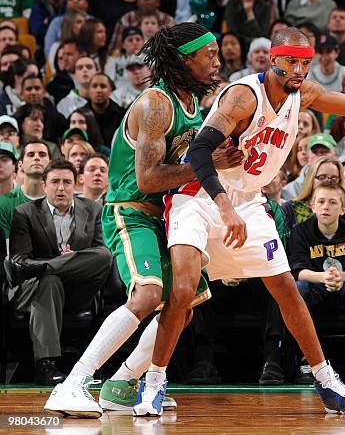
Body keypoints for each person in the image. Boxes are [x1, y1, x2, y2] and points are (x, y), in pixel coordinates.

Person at [139, 26, 345, 416]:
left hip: (249, 201)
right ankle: (152, 382)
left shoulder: (303, 94)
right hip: (201, 196)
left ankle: (326, 380)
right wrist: (223, 205)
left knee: (287, 289)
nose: (299, 70)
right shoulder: (242, 96)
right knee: (185, 290)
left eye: (305, 63)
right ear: (273, 59)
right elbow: (201, 151)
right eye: (291, 61)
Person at [44, 22, 243, 418]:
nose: (217, 62)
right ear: (185, 60)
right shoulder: (157, 104)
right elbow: (148, 178)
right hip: (130, 210)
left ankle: (123, 383)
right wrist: (209, 163)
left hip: (166, 216)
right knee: (149, 295)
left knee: (183, 306)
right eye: (210, 55)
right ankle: (73, 384)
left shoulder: (194, 105)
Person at [6, 159, 113, 385]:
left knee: (104, 256)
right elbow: (18, 262)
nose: (61, 188)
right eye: (55, 182)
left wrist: (63, 262)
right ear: (44, 185)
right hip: (38, 289)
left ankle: (47, 268)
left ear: (76, 185)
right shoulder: (25, 213)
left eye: (67, 182)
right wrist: (58, 264)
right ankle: (45, 365)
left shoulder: (93, 210)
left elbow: (100, 252)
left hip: (80, 290)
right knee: (50, 281)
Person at [287, 181, 345, 384]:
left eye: (333, 202)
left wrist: (339, 277)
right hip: (316, 285)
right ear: (313, 206)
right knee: (299, 289)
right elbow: (297, 271)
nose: (326, 206)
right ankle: (307, 362)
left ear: (344, 208)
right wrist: (324, 277)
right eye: (321, 201)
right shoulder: (301, 231)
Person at [0, 140, 50, 237]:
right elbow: (7, 248)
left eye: (42, 155)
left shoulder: (60, 201)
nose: (36, 158)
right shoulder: (3, 203)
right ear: (20, 165)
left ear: (51, 163)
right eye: (31, 154)